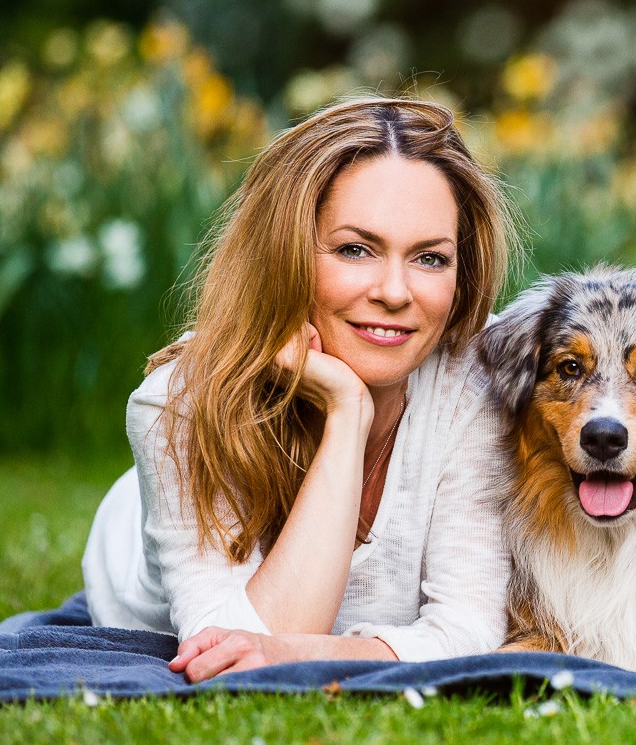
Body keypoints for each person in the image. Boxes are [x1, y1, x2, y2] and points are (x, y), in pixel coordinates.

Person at [81, 97, 516, 679]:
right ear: (284, 255)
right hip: (134, 550)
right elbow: (237, 654)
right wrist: (346, 411)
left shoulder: (480, 380)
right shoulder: (176, 405)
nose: (394, 290)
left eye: (430, 258)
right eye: (355, 249)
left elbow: (467, 629)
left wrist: (302, 654)